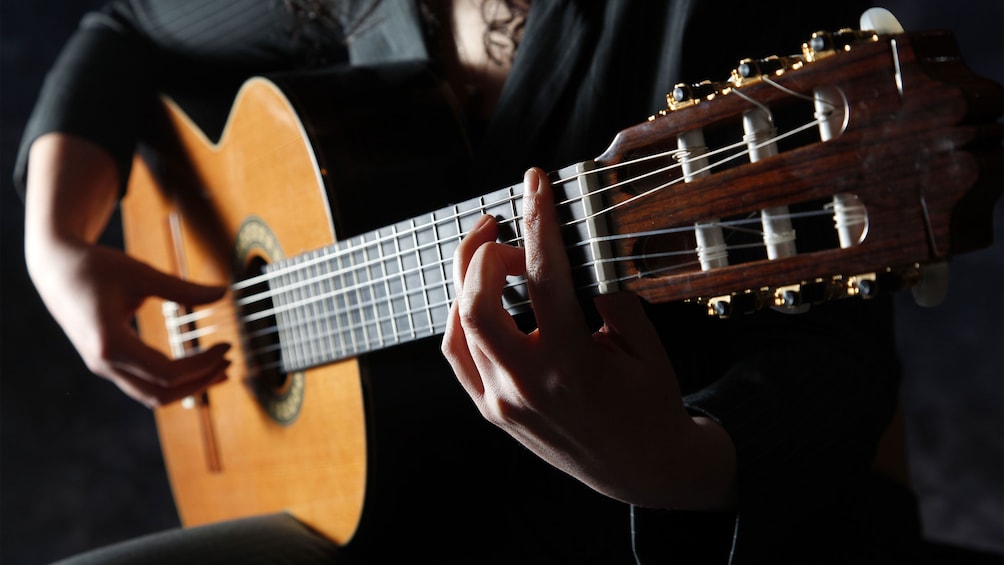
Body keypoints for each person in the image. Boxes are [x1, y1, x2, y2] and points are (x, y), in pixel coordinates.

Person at [17, 0, 922, 563]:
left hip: (644, 533)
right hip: (403, 508)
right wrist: (56, 240)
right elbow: (125, 30)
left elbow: (841, 369)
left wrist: (677, 461)